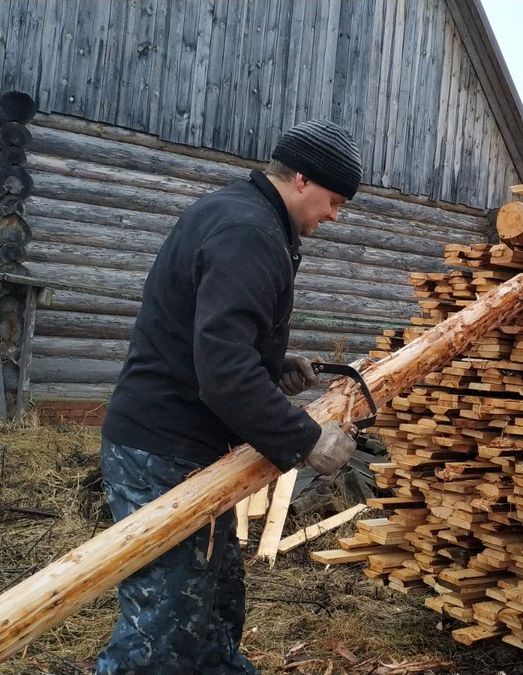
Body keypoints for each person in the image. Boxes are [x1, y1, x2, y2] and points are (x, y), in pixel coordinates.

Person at [96, 120, 363, 674]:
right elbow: (221, 372)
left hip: (187, 443)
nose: (335, 216)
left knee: (215, 604)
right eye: (334, 201)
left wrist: (271, 363)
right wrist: (306, 438)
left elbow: (211, 332)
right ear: (302, 180)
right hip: (162, 449)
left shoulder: (239, 214)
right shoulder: (250, 233)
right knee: (165, 627)